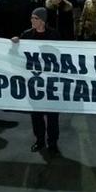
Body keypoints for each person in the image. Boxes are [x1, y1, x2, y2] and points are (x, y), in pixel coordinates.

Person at [11, 8, 62, 156]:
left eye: (35, 18)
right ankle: (40, 140)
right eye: (32, 18)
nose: (32, 20)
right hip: (33, 82)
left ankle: (53, 143)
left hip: (51, 82)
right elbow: (16, 55)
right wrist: (15, 44)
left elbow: (62, 55)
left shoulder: (54, 35)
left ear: (42, 20)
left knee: (52, 115)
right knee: (36, 114)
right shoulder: (26, 35)